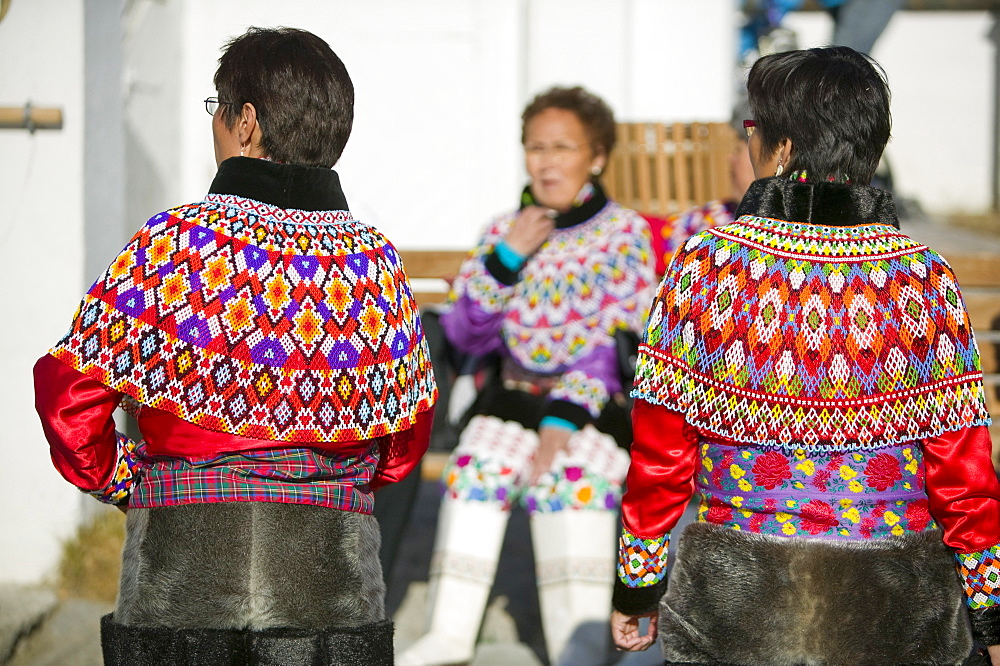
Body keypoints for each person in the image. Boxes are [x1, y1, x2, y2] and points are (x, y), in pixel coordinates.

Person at [33, 27, 436, 666]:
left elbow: (67, 392)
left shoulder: (171, 247)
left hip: (182, 566)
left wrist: (127, 480)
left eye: (217, 110)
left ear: (244, 122)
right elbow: (409, 425)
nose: (215, 127)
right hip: (325, 566)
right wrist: (337, 483)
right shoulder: (374, 265)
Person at [611, 46, 1000, 666]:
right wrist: (989, 612)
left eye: (753, 130)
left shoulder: (704, 268)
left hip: (737, 601)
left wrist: (638, 588)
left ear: (784, 147)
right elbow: (963, 471)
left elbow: (661, 456)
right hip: (892, 602)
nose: (749, 144)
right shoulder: (921, 278)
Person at [398, 86, 657, 666]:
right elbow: (466, 337)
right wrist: (507, 258)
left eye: (563, 147)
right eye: (536, 147)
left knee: (571, 479)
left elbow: (618, 337)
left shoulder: (625, 233)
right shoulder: (503, 231)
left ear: (596, 156)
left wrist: (562, 420)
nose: (546, 161)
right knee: (475, 469)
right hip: (510, 398)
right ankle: (449, 635)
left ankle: (581, 647)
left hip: (594, 405)